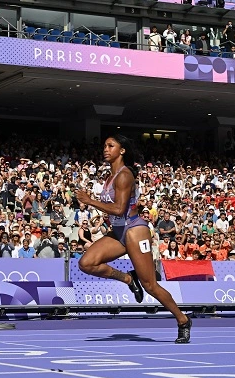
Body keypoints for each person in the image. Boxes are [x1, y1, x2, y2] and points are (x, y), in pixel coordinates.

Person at [75, 135, 192, 343]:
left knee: (150, 286)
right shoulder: (109, 177)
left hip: (134, 230)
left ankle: (182, 320)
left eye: (111, 146)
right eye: (104, 146)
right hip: (119, 231)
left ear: (122, 151)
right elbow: (115, 209)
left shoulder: (124, 175)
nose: (105, 149)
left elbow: (120, 209)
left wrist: (89, 201)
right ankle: (129, 278)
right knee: (86, 263)